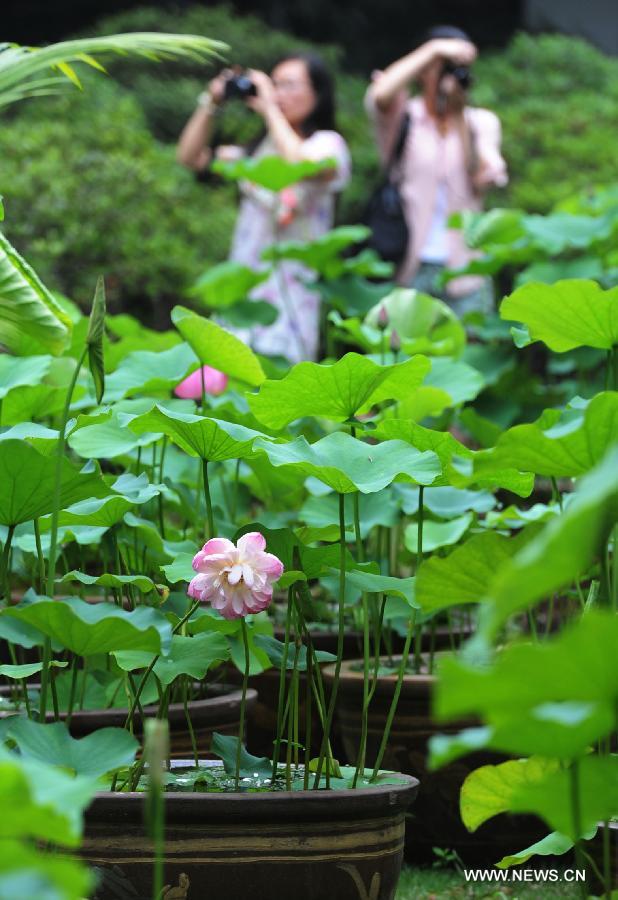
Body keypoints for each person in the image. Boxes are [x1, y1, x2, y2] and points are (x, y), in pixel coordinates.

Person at [177, 53, 351, 362]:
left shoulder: (328, 144)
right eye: (274, 84)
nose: (278, 93)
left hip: (293, 294)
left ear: (318, 93)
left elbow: (300, 163)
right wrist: (211, 102)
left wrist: (270, 108)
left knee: (282, 386)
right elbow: (190, 157)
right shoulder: (254, 151)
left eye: (289, 85)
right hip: (244, 288)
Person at [365, 26, 508, 316]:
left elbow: (483, 174)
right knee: (405, 355)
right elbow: (380, 94)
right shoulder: (404, 116)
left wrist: (460, 118)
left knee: (467, 354)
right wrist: (435, 49)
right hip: (408, 264)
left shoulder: (479, 122)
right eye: (444, 65)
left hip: (466, 270)